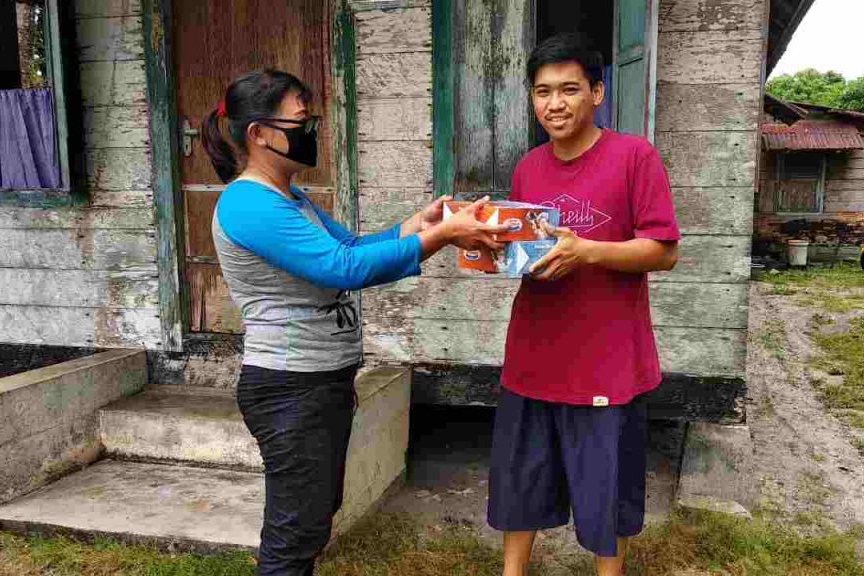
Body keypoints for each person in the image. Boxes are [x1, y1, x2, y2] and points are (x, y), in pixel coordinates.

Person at [201, 69, 505, 576]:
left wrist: (417, 225)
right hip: (290, 386)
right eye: (301, 121)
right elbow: (342, 268)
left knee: (311, 519)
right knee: (294, 533)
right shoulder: (247, 203)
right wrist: (442, 237)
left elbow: (349, 247)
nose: (311, 131)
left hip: (316, 382)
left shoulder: (288, 198)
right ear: (259, 133)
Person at [487, 34, 681, 576]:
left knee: (606, 494)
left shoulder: (634, 157)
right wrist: (492, 250)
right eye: (542, 91)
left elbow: (663, 251)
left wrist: (587, 251)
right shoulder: (528, 167)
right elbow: (530, 252)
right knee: (519, 482)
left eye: (569, 89)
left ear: (597, 93)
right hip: (533, 355)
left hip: (607, 360)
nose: (555, 103)